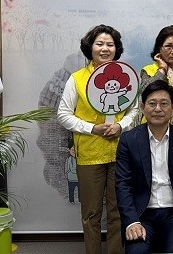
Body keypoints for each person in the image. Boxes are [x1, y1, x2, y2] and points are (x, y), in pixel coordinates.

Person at [57, 24, 135, 254]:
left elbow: (134, 110)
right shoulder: (77, 79)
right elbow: (63, 115)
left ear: (116, 49)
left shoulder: (126, 77)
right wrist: (92, 129)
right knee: (91, 213)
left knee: (117, 211)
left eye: (110, 44)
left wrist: (121, 125)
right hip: (89, 154)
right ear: (89, 47)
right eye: (99, 44)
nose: (105, 49)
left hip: (120, 153)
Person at [115, 80, 173, 254]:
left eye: (164, 103)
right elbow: (123, 184)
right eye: (152, 104)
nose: (158, 109)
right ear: (143, 107)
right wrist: (131, 221)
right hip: (142, 215)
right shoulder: (129, 140)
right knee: (136, 251)